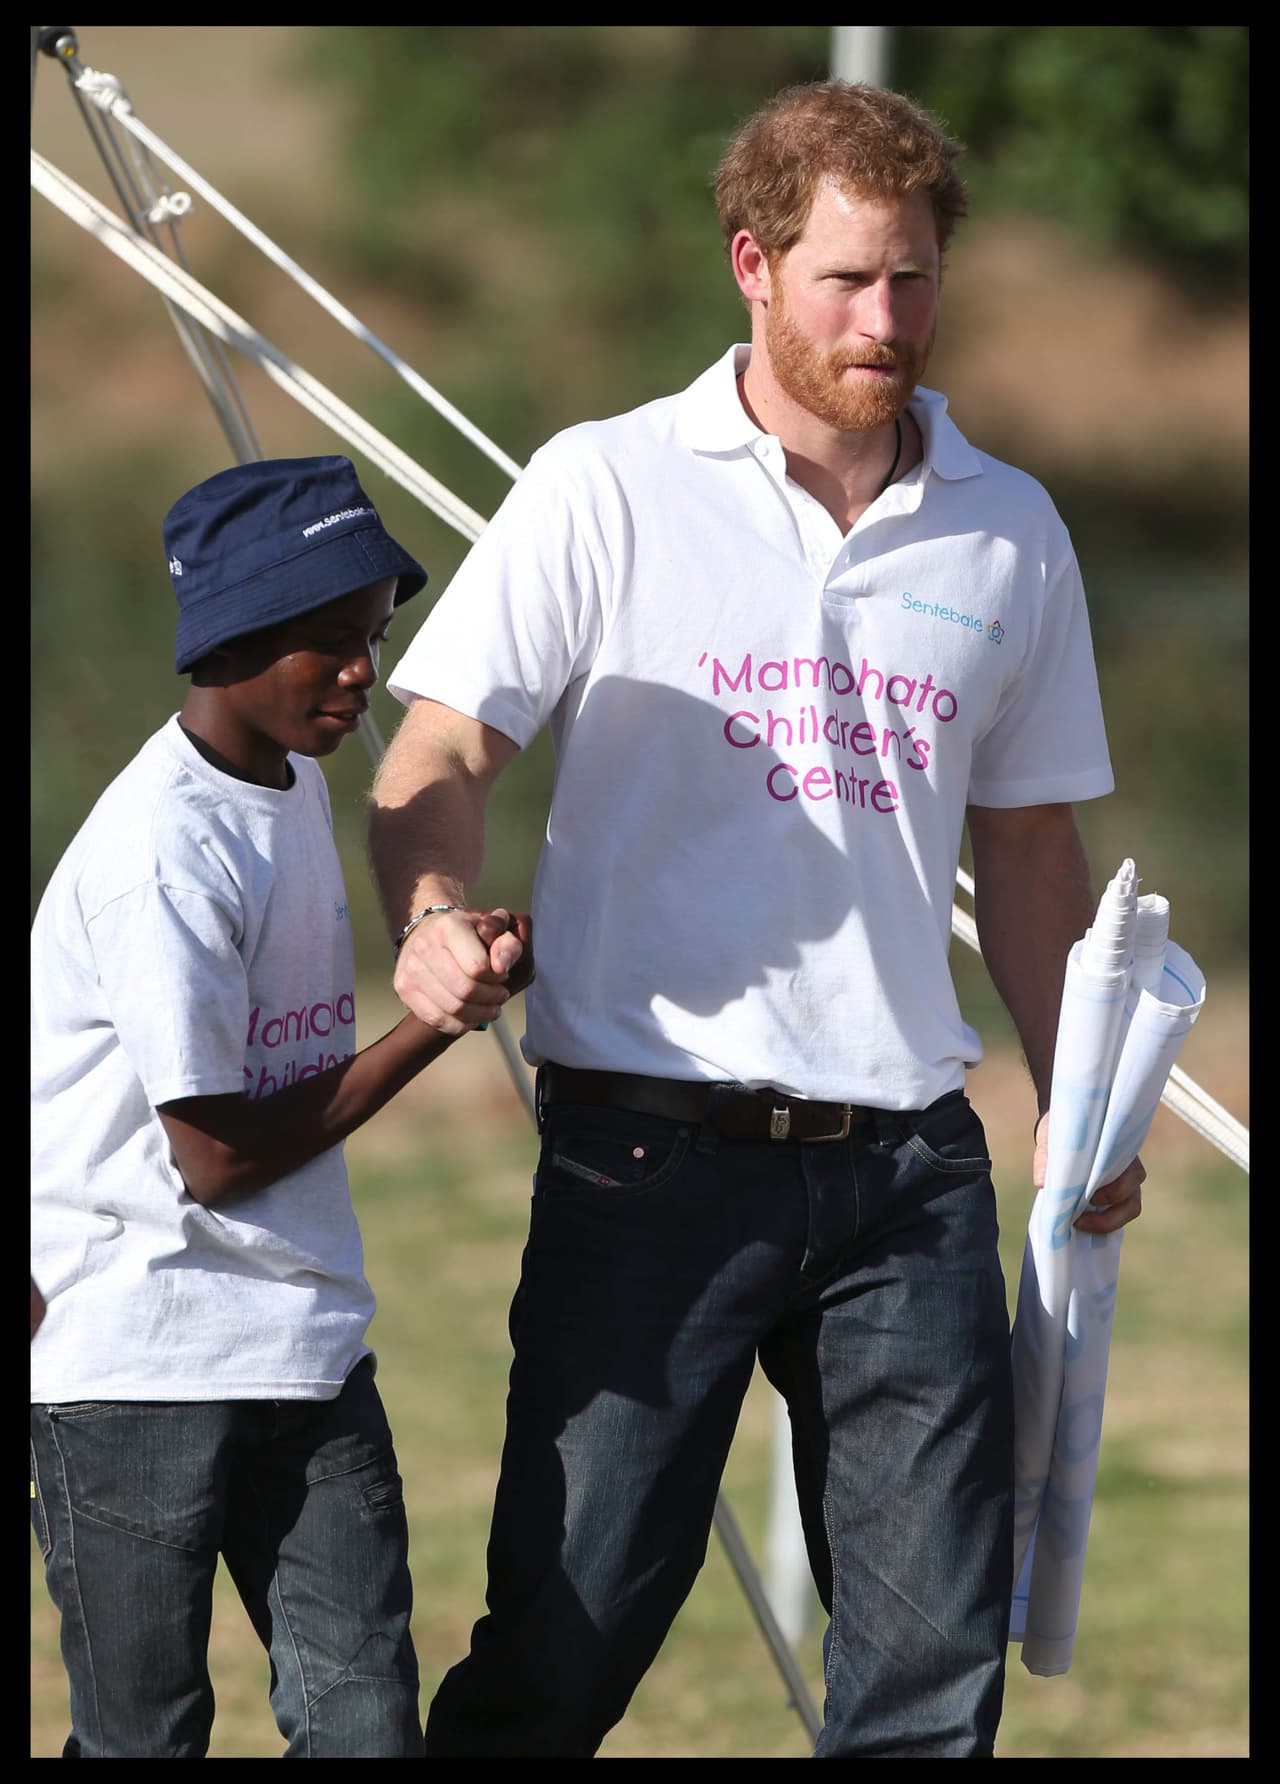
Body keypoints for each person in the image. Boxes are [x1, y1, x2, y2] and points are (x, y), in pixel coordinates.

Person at [366, 80, 1146, 1760]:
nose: (888, 320)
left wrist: (1085, 1106)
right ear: (754, 264)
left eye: (917, 279)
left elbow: (1026, 851)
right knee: (560, 1661)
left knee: (933, 1690)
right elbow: (437, 745)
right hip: (647, 1159)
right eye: (850, 281)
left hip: (913, 1172)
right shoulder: (607, 485)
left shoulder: (1011, 531)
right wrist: (429, 910)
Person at [29, 453, 531, 1760]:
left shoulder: (296, 787)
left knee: (366, 1724)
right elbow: (211, 1156)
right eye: (330, 645)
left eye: (373, 637)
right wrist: (434, 1026)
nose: (365, 674)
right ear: (234, 641)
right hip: (136, 1360)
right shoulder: (164, 856)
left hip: (303, 1344)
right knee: (147, 1738)